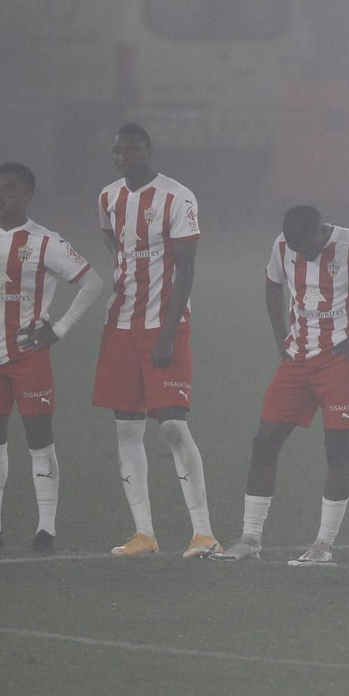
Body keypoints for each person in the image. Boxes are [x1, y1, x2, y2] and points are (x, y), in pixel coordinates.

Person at [211, 206, 349, 564]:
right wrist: (281, 338)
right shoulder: (283, 246)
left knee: (337, 451)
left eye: (305, 247)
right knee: (264, 442)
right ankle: (250, 538)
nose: (299, 254)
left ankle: (322, 545)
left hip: (341, 362)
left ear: (321, 231)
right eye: (294, 247)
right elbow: (272, 285)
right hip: (297, 360)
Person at [0, 163, 104, 552]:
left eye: (9, 189)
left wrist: (59, 328)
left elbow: (93, 282)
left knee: (39, 440)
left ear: (27, 197)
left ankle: (46, 530)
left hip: (29, 356)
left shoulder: (45, 242)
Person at [91, 122, 217, 558]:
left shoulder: (177, 197)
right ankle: (143, 533)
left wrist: (166, 331)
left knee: (172, 427)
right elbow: (114, 244)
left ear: (149, 151)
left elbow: (186, 269)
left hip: (165, 327)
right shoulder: (108, 197)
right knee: (126, 430)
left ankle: (203, 532)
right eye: (117, 151)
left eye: (132, 150)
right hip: (121, 326)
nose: (124, 157)